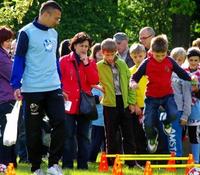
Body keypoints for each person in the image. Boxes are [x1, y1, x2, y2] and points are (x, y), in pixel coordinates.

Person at [10, 1, 67, 175]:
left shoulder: (54, 33)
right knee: (33, 130)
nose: (57, 21)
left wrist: (60, 84)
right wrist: (16, 84)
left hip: (53, 87)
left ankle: (53, 164)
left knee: (61, 122)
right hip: (32, 88)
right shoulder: (26, 33)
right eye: (56, 18)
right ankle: (36, 168)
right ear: (46, 14)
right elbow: (19, 58)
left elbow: (54, 60)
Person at [130, 34, 193, 153]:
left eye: (162, 55)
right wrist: (133, 83)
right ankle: (153, 137)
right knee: (147, 124)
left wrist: (191, 78)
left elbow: (181, 73)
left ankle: (166, 122)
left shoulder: (169, 61)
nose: (160, 58)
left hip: (167, 95)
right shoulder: (147, 63)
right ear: (151, 52)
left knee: (174, 114)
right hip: (151, 97)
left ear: (166, 52)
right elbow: (135, 76)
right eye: (157, 55)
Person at [60, 32, 99, 169]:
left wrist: (87, 64)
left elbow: (94, 81)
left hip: (84, 104)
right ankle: (67, 164)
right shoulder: (64, 60)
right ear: (74, 45)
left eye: (86, 46)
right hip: (67, 103)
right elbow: (58, 80)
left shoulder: (91, 61)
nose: (84, 49)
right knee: (68, 136)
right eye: (81, 45)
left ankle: (83, 166)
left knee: (84, 137)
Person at [97, 38, 136, 167]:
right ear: (102, 53)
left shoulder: (122, 64)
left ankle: (130, 162)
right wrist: (100, 91)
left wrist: (131, 102)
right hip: (109, 104)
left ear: (116, 52)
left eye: (112, 54)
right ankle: (112, 161)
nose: (110, 57)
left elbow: (130, 83)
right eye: (107, 54)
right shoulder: (99, 66)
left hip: (123, 102)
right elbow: (91, 79)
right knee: (111, 134)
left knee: (128, 133)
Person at [184, 47, 200, 164]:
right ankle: (180, 158)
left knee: (194, 135)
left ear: (199, 60)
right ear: (187, 59)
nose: (193, 62)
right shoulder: (183, 73)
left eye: (196, 60)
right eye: (191, 60)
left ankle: (196, 161)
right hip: (182, 109)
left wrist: (196, 90)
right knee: (180, 133)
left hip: (196, 110)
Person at [169, 47, 192, 162]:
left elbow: (187, 97)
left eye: (179, 60)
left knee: (175, 135)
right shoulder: (165, 73)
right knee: (165, 135)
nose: (176, 62)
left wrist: (185, 115)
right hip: (164, 109)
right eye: (174, 59)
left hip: (178, 110)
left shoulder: (184, 76)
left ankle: (176, 158)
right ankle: (165, 159)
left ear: (183, 61)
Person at [129, 43, 148, 166]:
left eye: (140, 56)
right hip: (137, 107)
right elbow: (128, 91)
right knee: (138, 134)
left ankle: (152, 158)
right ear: (131, 57)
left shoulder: (150, 70)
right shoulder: (130, 72)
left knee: (150, 134)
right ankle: (140, 160)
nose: (138, 59)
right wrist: (134, 105)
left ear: (145, 55)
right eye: (135, 57)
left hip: (150, 106)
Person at [0, 25, 17, 168]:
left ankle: (10, 162)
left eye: (10, 40)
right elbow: (12, 74)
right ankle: (5, 163)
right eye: (7, 40)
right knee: (7, 134)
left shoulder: (4, 55)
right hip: (5, 99)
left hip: (7, 98)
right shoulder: (1, 56)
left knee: (9, 133)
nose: (10, 43)